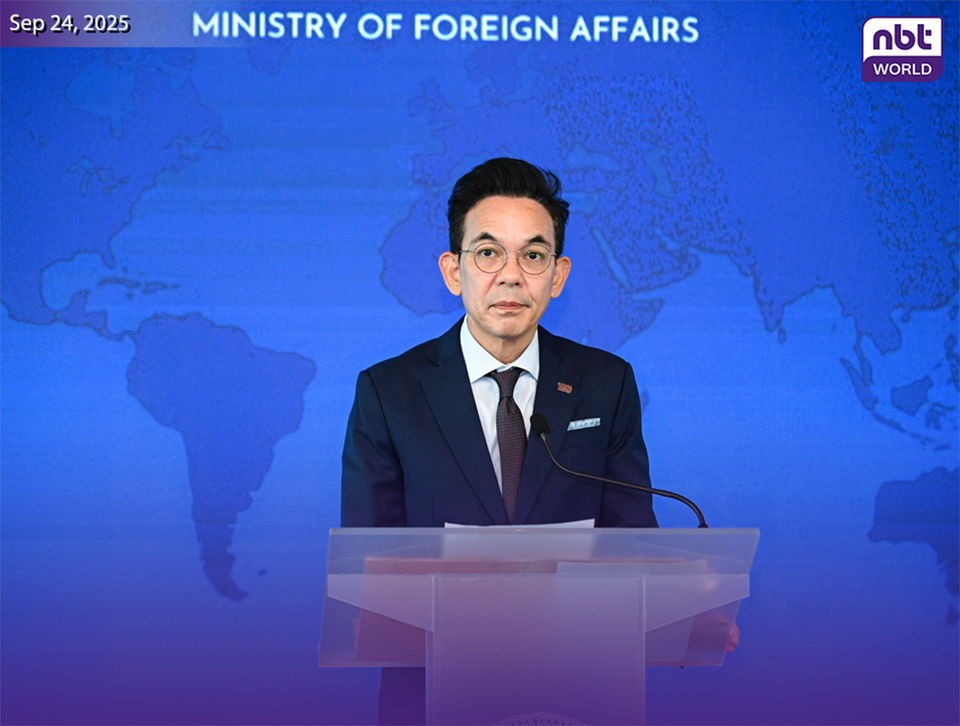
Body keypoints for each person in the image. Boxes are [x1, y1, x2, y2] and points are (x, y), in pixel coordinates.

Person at [340, 157, 732, 725]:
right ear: (453, 271)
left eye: (532, 255)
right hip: (432, 699)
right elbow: (371, 566)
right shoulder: (389, 392)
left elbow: (630, 545)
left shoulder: (605, 383)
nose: (510, 276)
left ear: (558, 275)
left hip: (578, 694)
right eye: (488, 252)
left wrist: (681, 616)